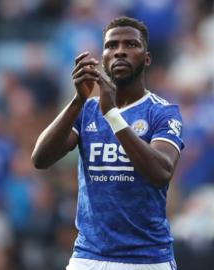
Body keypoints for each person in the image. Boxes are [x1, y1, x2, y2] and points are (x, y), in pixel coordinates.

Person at [32, 16, 184, 270]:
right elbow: (40, 159)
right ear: (102, 58)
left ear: (146, 59)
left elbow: (161, 172)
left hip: (146, 258)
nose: (120, 51)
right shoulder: (87, 110)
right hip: (88, 256)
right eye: (111, 46)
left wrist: (113, 115)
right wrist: (77, 101)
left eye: (131, 45)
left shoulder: (162, 112)